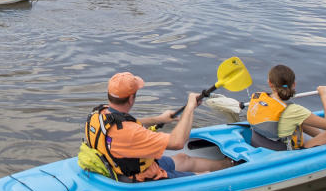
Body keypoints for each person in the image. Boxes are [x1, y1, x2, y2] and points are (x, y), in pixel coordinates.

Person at [85, 72, 233, 181]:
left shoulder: (99, 114)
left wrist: (159, 119)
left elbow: (125, 125)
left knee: (183, 158)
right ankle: (229, 173)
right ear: (131, 99)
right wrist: (190, 107)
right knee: (204, 176)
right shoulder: (132, 134)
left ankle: (227, 164)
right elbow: (177, 142)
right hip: (142, 176)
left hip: (122, 163)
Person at [247, 64, 326, 150]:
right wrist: (324, 95)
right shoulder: (294, 110)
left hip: (260, 144)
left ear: (270, 83)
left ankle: (322, 138)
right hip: (284, 152)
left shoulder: (258, 98)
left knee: (300, 121)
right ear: (294, 84)